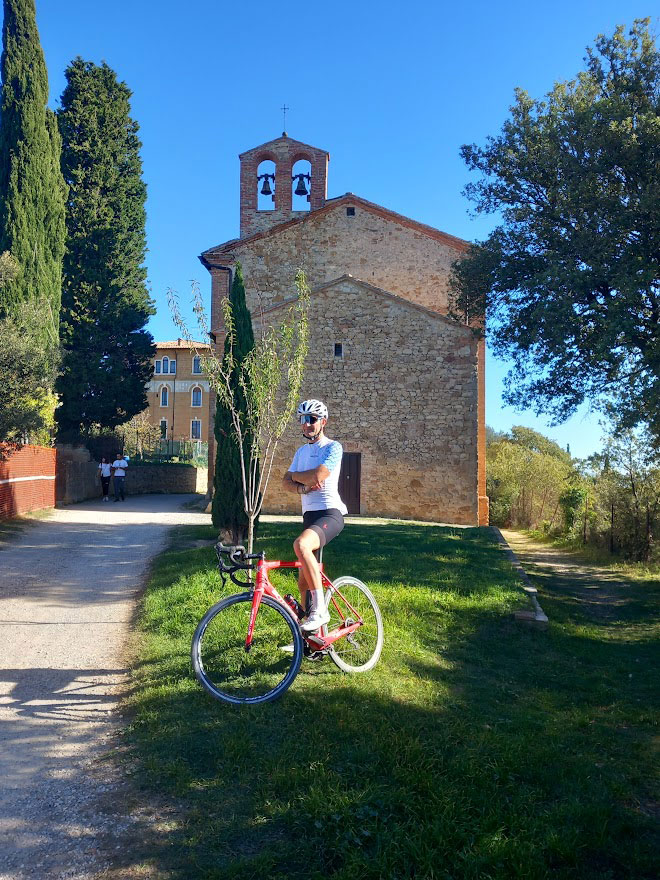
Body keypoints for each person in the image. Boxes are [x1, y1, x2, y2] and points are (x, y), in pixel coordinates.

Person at [282, 399, 347, 631]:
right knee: (303, 582)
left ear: (323, 422)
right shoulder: (301, 452)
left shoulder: (333, 447)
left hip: (330, 514)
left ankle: (321, 611)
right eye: (303, 420)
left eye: (312, 419)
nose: (307, 424)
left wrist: (298, 477)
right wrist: (302, 485)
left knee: (301, 545)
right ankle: (308, 641)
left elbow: (319, 475)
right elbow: (285, 482)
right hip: (309, 517)